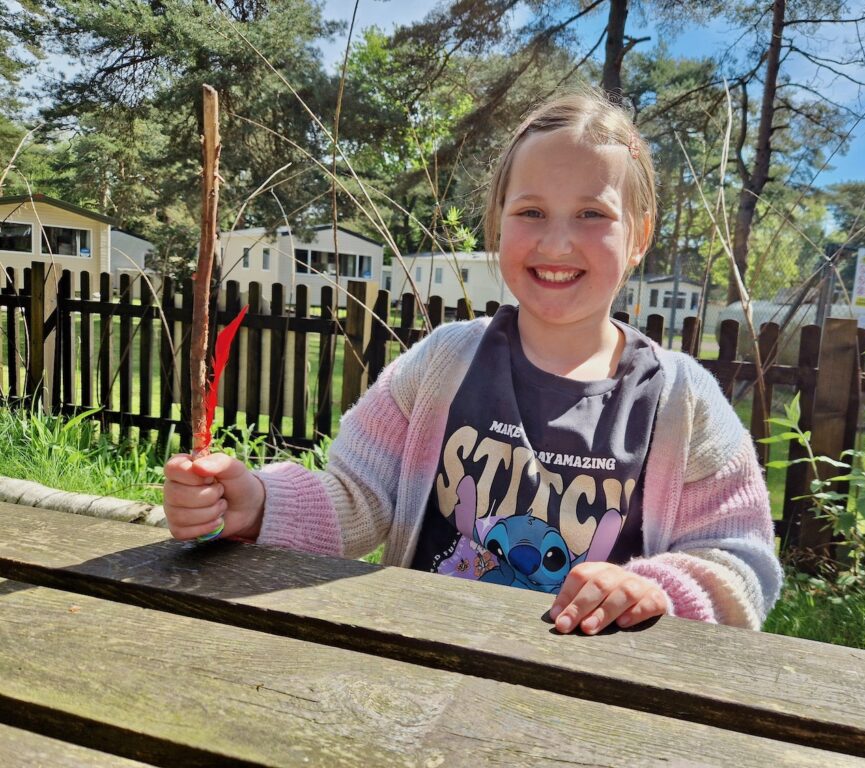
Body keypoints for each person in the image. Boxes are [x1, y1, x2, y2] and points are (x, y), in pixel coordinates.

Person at [163, 90, 782, 635]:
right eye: (531, 212)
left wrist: (657, 592)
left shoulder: (684, 403)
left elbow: (743, 564)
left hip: (592, 702)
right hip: (419, 667)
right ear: (497, 222)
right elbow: (358, 496)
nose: (557, 241)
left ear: (640, 235)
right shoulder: (443, 363)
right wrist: (258, 504)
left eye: (592, 214)